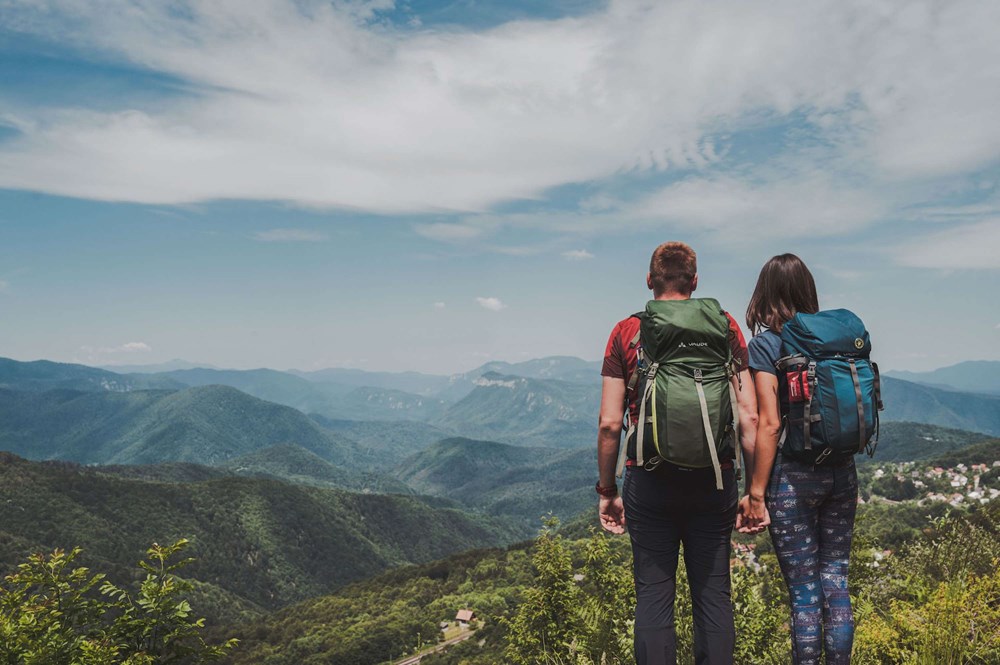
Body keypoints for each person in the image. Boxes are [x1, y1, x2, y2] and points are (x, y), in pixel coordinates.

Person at [597, 241, 758, 665]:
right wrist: (755, 492)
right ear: (695, 281)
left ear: (649, 280)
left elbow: (610, 424)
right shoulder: (725, 327)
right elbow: (748, 417)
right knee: (713, 594)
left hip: (649, 479)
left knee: (653, 595)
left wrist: (607, 490)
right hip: (715, 479)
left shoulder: (626, 332)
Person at [738, 253, 859, 665]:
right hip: (843, 472)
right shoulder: (831, 340)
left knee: (806, 595)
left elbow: (768, 423)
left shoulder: (767, 344)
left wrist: (755, 493)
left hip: (792, 480)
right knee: (836, 583)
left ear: (763, 293)